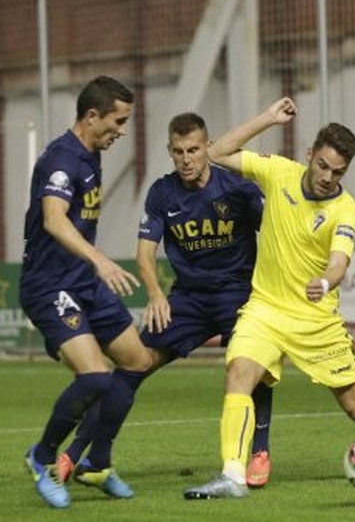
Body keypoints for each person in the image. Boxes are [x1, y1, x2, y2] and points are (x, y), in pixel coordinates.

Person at [183, 97, 355, 500]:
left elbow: (338, 263)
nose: (328, 177)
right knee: (238, 372)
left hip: (316, 321)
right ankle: (232, 475)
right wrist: (268, 119)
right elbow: (217, 152)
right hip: (265, 309)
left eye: (338, 171)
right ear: (310, 155)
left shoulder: (345, 209)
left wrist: (327, 283)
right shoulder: (278, 171)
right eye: (323, 165)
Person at [62, 112, 278, 489]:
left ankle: (259, 451)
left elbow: (277, 235)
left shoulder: (238, 188)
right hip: (189, 299)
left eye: (193, 149)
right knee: (134, 363)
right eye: (178, 151)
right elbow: (145, 254)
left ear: (208, 147)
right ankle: (80, 453)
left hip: (238, 294)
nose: (186, 158)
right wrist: (157, 293)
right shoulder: (162, 192)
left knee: (249, 365)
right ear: (169, 151)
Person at [19, 76, 153, 508]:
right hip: (50, 284)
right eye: (118, 121)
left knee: (136, 360)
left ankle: (97, 462)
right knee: (95, 376)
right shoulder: (62, 158)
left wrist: (91, 267)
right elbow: (53, 220)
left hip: (81, 282)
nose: (122, 130)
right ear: (92, 116)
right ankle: (41, 457)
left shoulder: (92, 155)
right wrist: (100, 259)